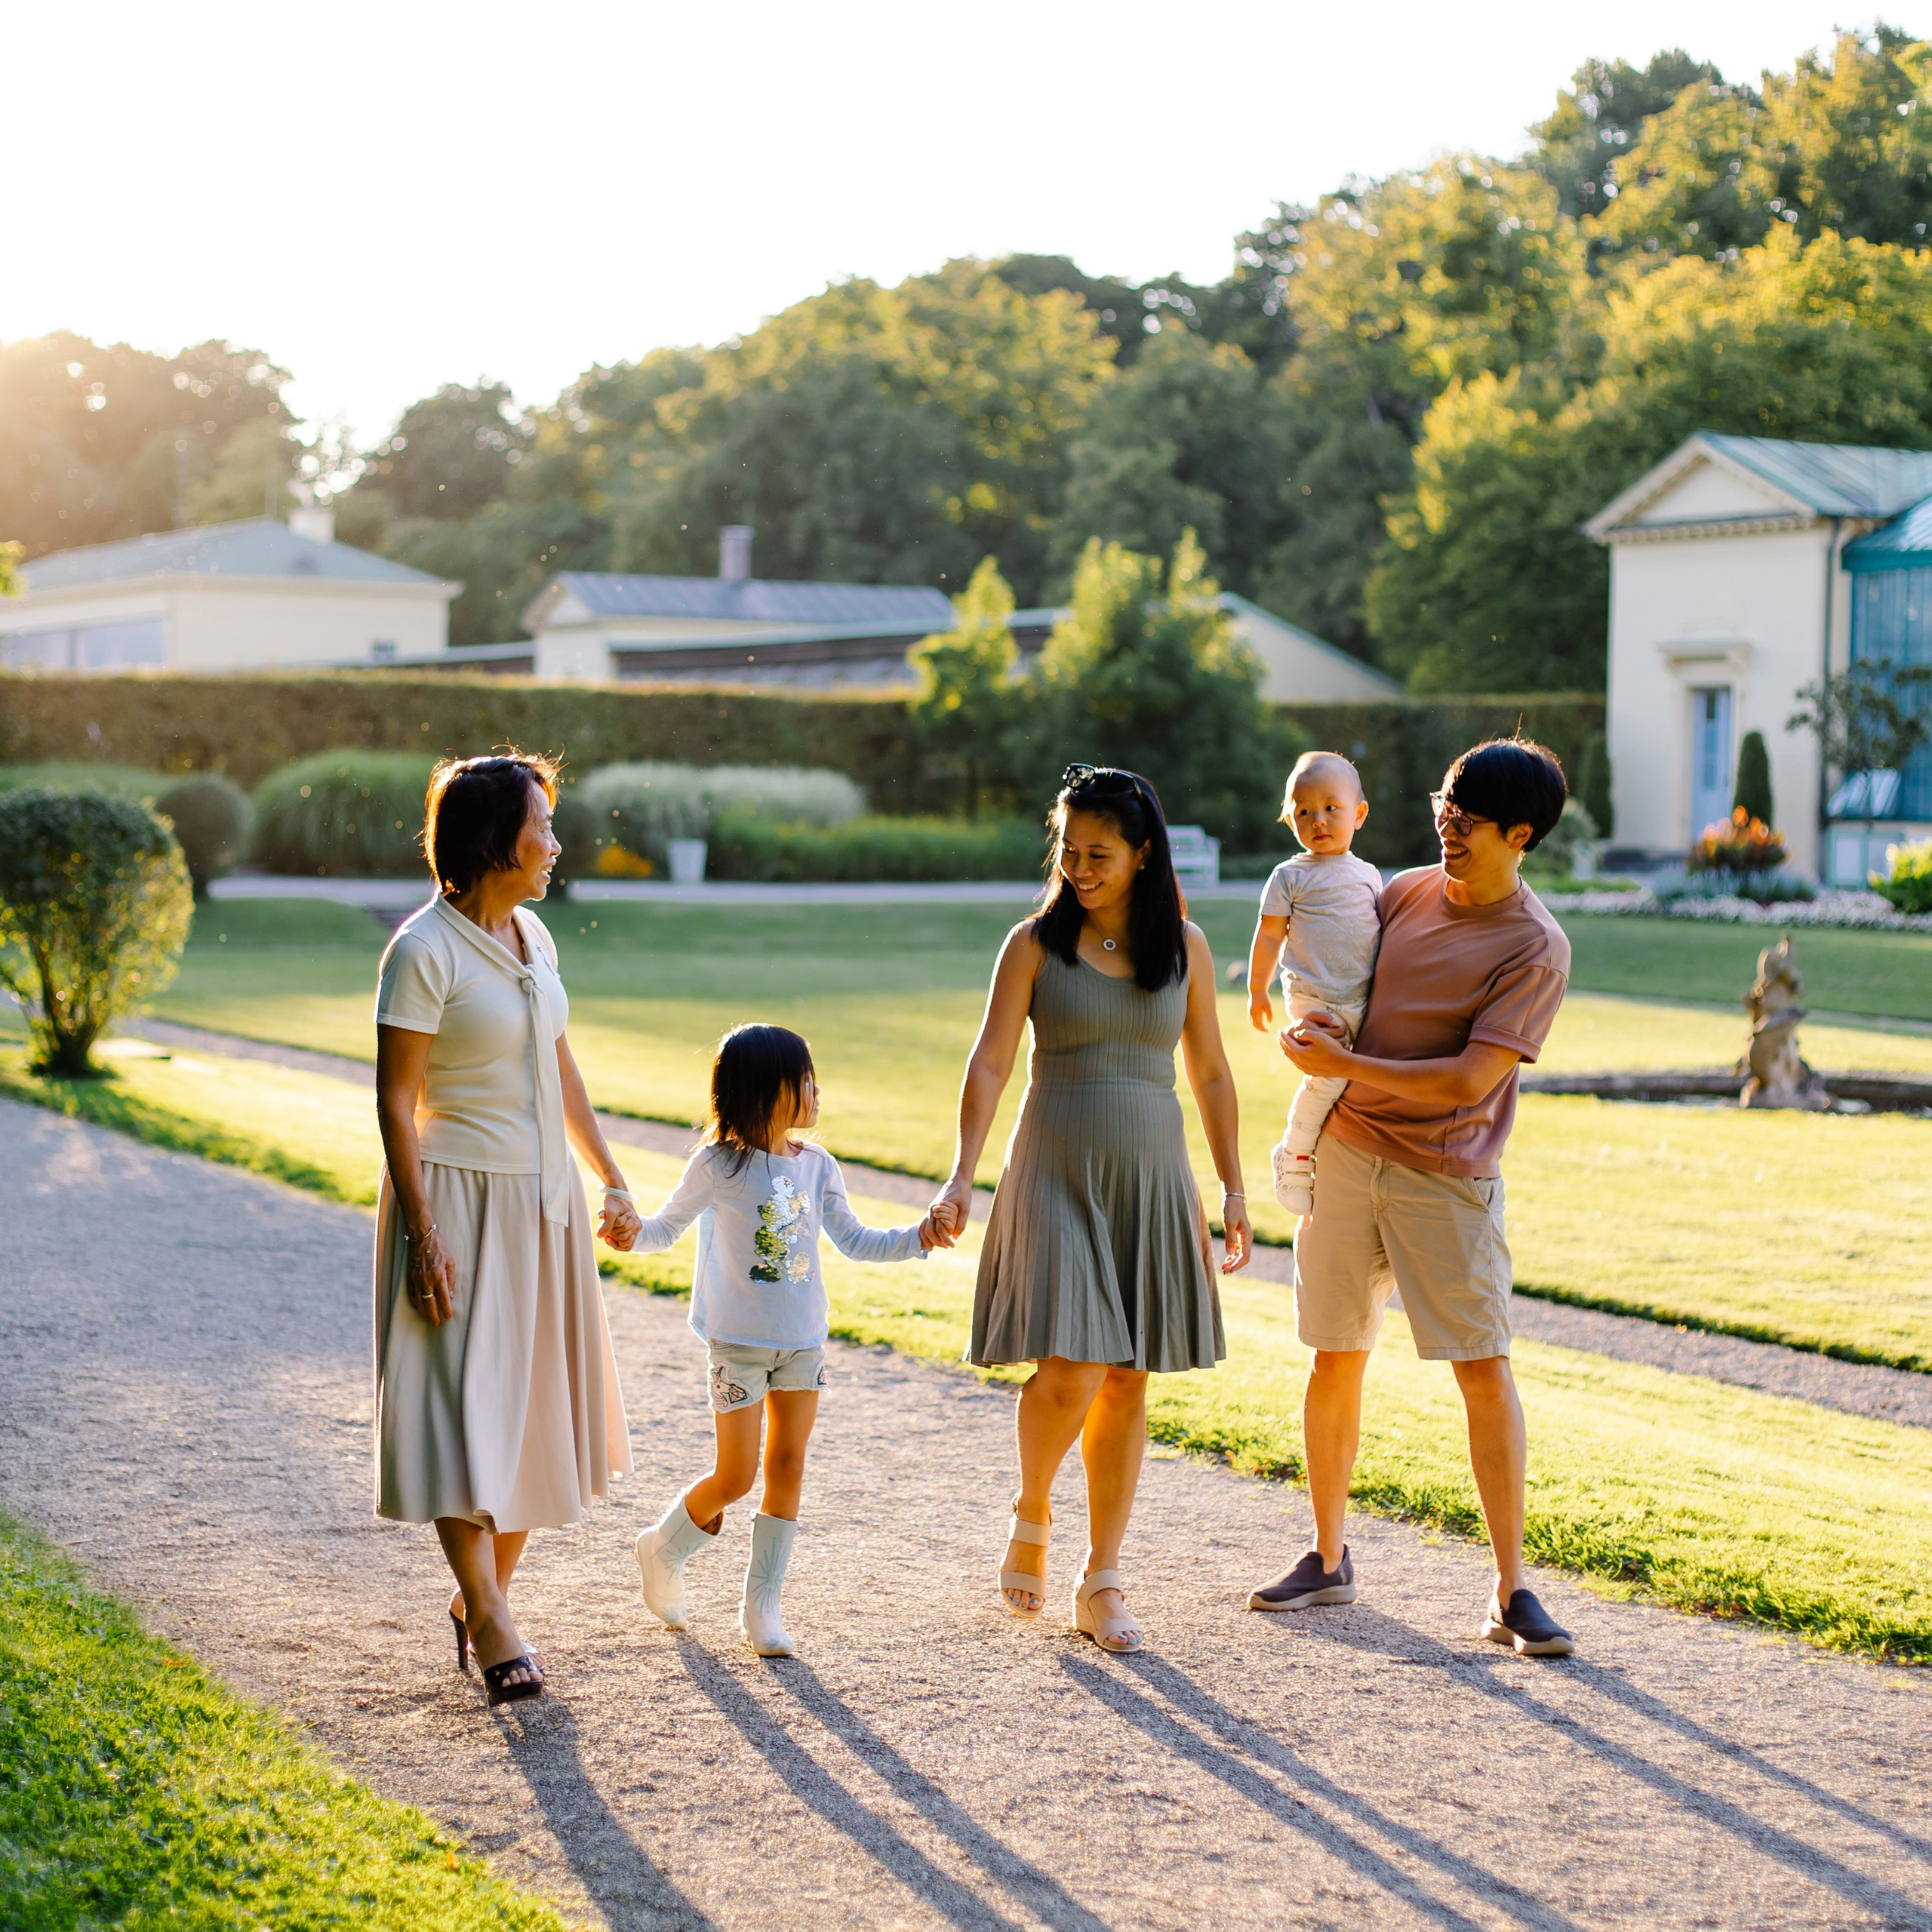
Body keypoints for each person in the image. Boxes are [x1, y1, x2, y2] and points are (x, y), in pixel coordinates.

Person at [1252, 737, 1577, 1657]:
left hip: (1447, 1175)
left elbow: (1467, 1082)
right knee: (1333, 1354)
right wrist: (1305, 1025)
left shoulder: (1533, 946)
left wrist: (1345, 1065)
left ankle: (1512, 1590)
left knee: (1482, 1367)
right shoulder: (1395, 893)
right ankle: (1326, 1556)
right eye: (1441, 807)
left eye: (1465, 821)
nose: (1446, 829)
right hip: (1349, 1155)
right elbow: (1327, 970)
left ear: (1519, 835)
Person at [932, 764, 1251, 1656]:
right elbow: (990, 1062)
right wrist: (962, 1173)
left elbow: (1214, 1073)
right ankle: (1031, 1505)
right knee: (1071, 1365)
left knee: (1127, 1375)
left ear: (1143, 854)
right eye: (1068, 850)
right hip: (1055, 1166)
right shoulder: (1033, 944)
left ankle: (1101, 1577)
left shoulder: (1182, 946)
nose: (1079, 866)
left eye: (1099, 853)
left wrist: (1229, 1188)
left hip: (1151, 1174)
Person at [373, 752, 640, 1709]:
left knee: (532, 1417)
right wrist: (420, 1232)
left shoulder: (535, 936)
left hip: (543, 1204)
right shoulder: (423, 950)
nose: (556, 844)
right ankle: (492, 1619)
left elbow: (559, 1071)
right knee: (460, 1408)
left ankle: (476, 1598)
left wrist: (609, 1176)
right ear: (494, 839)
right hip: (454, 1200)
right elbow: (396, 1104)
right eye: (543, 826)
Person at [622, 1024, 947, 1658]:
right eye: (804, 1079)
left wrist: (920, 1236)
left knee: (788, 1465)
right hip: (738, 1345)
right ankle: (662, 1548)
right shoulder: (718, 1164)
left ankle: (762, 1605)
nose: (816, 1090)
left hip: (801, 1344)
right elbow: (663, 1229)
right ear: (764, 1091)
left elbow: (855, 1240)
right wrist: (629, 1231)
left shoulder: (818, 1166)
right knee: (737, 1475)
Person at [1244, 751, 1384, 1216]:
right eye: (1303, 812)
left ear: (1359, 814)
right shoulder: (1290, 876)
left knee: (1361, 1080)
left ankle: (1338, 1158)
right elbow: (1268, 935)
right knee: (1328, 1079)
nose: (1318, 820)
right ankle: (1295, 1154)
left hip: (1361, 1000)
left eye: (1331, 808)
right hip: (1315, 999)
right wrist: (1257, 989)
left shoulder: (1369, 877)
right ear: (1290, 819)